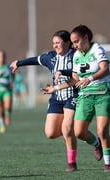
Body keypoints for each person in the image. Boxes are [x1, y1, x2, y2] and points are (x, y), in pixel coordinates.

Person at [43, 25, 110, 172]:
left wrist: (90, 78)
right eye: (73, 42)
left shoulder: (97, 49)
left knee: (102, 131)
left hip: (102, 94)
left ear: (86, 38)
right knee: (78, 132)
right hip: (85, 96)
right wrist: (55, 88)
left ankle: (109, 164)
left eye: (76, 42)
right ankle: (97, 145)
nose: (75, 45)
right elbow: (75, 80)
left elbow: (105, 69)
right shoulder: (77, 56)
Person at [10, 30, 78, 172]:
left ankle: (72, 163)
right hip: (56, 97)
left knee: (66, 129)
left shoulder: (76, 56)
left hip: (73, 96)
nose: (55, 46)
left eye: (58, 43)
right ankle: (72, 133)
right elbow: (36, 60)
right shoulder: (51, 57)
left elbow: (77, 76)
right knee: (50, 133)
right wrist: (19, 63)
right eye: (53, 43)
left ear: (67, 43)